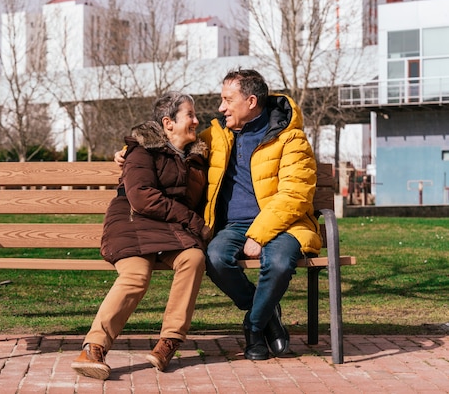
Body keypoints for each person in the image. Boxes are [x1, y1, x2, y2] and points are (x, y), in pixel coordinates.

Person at [114, 68, 321, 361]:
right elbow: (171, 138)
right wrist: (128, 149)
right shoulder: (217, 136)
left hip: (284, 224)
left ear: (251, 101)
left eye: (227, 99)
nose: (221, 107)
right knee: (214, 258)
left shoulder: (292, 139)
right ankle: (268, 315)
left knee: (277, 262)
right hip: (233, 225)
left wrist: (259, 235)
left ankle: (253, 326)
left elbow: (294, 196)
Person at [71, 91, 210, 380]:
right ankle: (93, 347)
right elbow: (142, 197)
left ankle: (169, 342)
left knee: (194, 258)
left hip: (169, 228)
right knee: (136, 275)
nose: (197, 121)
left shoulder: (196, 158)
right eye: (191, 116)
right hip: (132, 221)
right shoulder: (143, 150)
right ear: (168, 122)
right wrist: (192, 221)